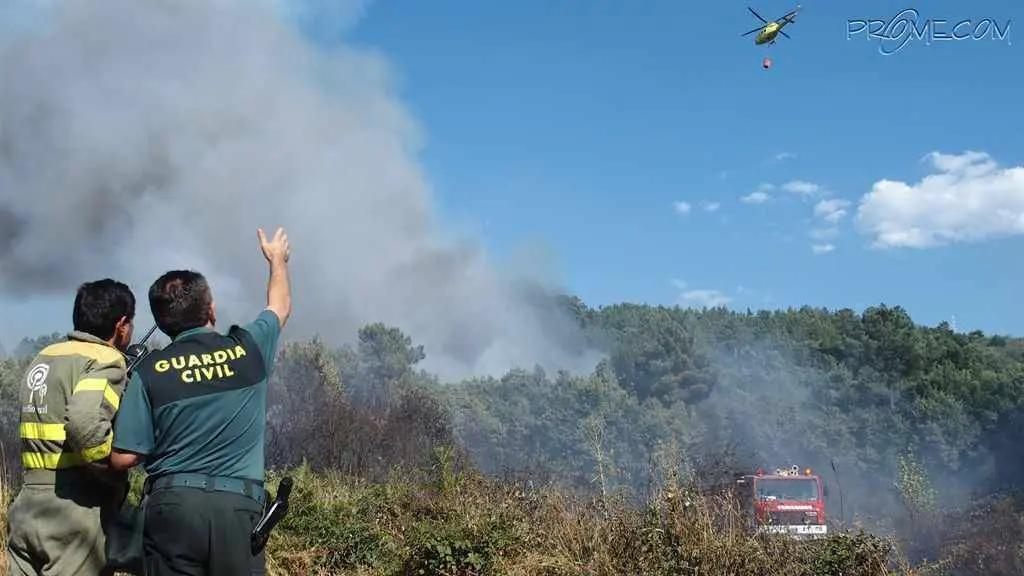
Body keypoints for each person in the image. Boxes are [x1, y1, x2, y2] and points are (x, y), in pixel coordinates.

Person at [110, 227, 291, 575]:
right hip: (238, 512)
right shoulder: (248, 348)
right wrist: (277, 260)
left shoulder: (149, 372)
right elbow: (279, 306)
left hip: (172, 511)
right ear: (212, 309)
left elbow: (123, 458)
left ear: (162, 323)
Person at [7, 279, 137, 576]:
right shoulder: (106, 359)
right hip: (73, 509)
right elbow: (84, 425)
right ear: (121, 325)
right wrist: (113, 473)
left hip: (27, 506)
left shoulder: (45, 356)